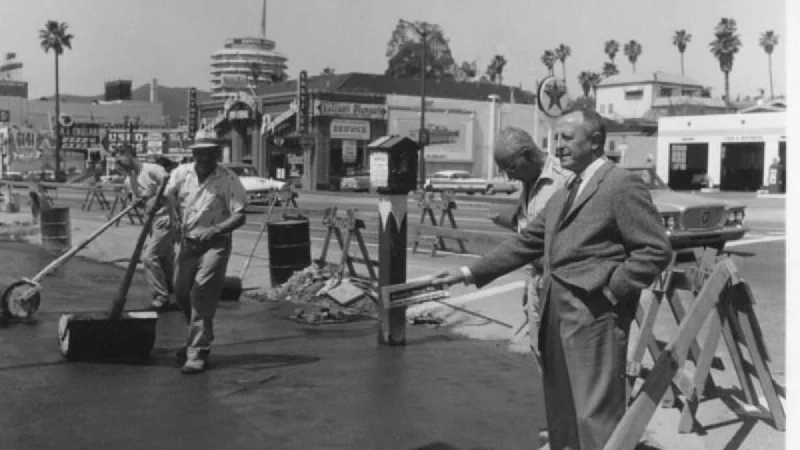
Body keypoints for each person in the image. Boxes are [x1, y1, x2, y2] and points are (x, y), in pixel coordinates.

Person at [433, 108, 672, 449]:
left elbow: (654, 249)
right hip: (554, 311)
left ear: (595, 142)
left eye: (567, 139)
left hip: (595, 314)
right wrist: (467, 272)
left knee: (594, 413)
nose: (558, 147)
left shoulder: (620, 184)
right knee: (562, 406)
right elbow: (526, 241)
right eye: (556, 139)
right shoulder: (564, 192)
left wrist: (611, 291)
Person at [165, 128, 248, 374]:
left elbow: (240, 216)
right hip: (187, 240)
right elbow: (168, 194)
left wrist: (214, 231)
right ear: (194, 153)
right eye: (200, 153)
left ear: (217, 154)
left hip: (215, 242)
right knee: (181, 292)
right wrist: (173, 215)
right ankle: (198, 337)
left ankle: (198, 351)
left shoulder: (228, 179)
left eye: (209, 153)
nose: (204, 158)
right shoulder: (181, 173)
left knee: (201, 293)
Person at [488, 127, 569, 362]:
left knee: (560, 356)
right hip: (535, 279)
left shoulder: (563, 179)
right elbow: (529, 228)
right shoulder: (528, 181)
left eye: (511, 168)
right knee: (540, 351)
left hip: (559, 282)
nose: (509, 177)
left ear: (527, 155)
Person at [114, 145, 179, 312]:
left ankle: (161, 296)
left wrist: (155, 193)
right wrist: (137, 200)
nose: (118, 164)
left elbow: (171, 189)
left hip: (166, 218)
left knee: (149, 257)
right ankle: (175, 294)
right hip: (151, 223)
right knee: (165, 260)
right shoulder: (130, 180)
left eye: (120, 159)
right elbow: (140, 201)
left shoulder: (153, 170)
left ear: (129, 155)